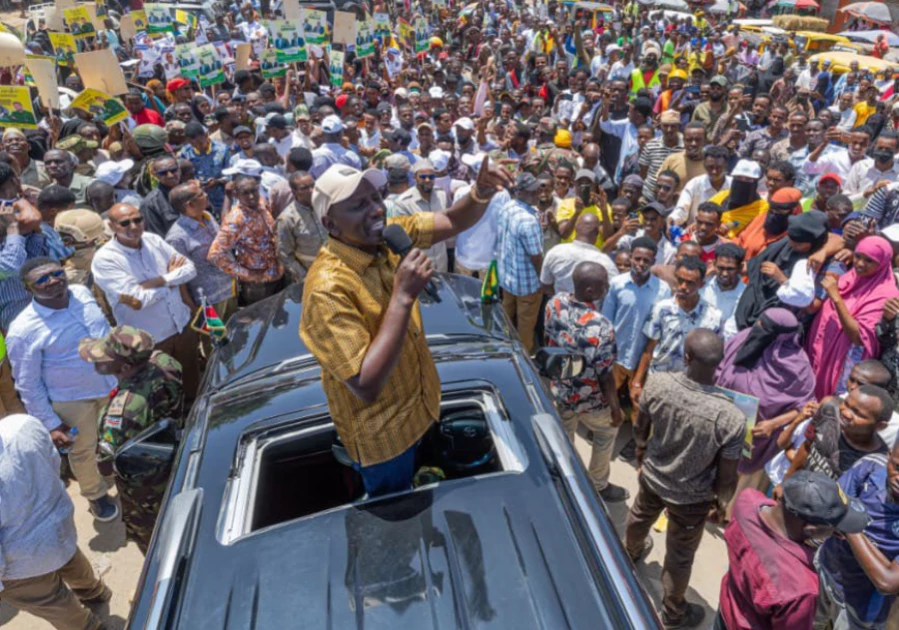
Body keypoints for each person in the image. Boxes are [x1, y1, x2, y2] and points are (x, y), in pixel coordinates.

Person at [298, 160, 511, 496]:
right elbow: (366, 384)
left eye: (375, 198)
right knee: (400, 519)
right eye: (358, 205)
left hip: (423, 408)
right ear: (330, 224)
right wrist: (402, 296)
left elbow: (452, 220)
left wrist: (480, 193)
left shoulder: (386, 235)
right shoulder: (327, 290)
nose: (375, 210)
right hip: (385, 441)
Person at [626, 329, 744, 629]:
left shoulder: (659, 384)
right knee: (680, 556)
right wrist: (721, 503)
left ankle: (629, 555)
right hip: (692, 499)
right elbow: (727, 476)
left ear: (686, 357)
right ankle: (673, 613)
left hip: (653, 477)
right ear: (719, 363)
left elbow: (640, 428)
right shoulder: (731, 417)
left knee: (639, 515)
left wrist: (641, 455)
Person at [6, 257, 119, 522]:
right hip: (72, 402)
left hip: (112, 384)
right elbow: (27, 383)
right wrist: (51, 424)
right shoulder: (23, 330)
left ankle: (113, 469)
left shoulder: (81, 293)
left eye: (56, 273)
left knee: (114, 436)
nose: (53, 281)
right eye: (42, 280)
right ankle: (95, 495)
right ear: (27, 289)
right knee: (82, 451)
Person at [716, 470, 869, 630]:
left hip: (726, 609)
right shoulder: (799, 587)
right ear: (810, 530)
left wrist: (824, 528)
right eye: (833, 527)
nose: (838, 534)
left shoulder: (746, 502)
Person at [0, 413, 112, 630]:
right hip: (59, 524)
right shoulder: (22, 425)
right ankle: (96, 592)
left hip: (23, 563)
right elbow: (53, 464)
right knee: (73, 562)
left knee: (55, 602)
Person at [81, 326, 183, 555]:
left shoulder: (122, 411)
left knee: (155, 539)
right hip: (177, 455)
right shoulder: (164, 361)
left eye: (103, 358)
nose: (96, 361)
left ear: (125, 367)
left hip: (147, 486)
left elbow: (106, 466)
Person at [91, 203, 201, 402]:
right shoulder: (106, 259)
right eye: (125, 223)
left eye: (137, 220)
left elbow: (190, 269)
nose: (133, 226)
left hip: (182, 326)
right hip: (151, 341)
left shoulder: (153, 240)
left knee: (193, 381)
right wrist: (171, 280)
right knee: (164, 392)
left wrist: (159, 280)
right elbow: (138, 300)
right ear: (112, 226)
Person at [544, 261, 627, 502]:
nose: (608, 287)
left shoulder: (554, 303)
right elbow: (604, 375)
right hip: (591, 400)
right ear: (590, 291)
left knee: (564, 437)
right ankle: (598, 484)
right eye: (604, 284)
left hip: (560, 389)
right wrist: (614, 409)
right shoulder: (601, 327)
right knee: (607, 432)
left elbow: (548, 340)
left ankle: (567, 478)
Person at [816, 422, 899, 629]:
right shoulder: (871, 465)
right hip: (826, 569)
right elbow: (831, 507)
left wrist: (850, 523)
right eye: (897, 467)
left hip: (861, 607)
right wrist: (880, 558)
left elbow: (887, 581)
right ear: (890, 455)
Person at [807, 236, 899, 400]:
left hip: (842, 362)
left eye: (869, 261)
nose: (860, 264)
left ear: (882, 264)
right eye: (858, 256)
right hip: (823, 351)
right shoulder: (853, 277)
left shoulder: (885, 294)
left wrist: (836, 298)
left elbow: (858, 337)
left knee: (829, 405)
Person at [633, 255, 723, 384]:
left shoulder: (713, 317)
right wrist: (637, 382)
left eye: (690, 283)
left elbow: (714, 359)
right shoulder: (662, 309)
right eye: (680, 280)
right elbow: (649, 349)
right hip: (659, 379)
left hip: (692, 384)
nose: (682, 286)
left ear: (701, 284)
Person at [734, 210, 830, 330]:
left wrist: (782, 279)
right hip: (752, 307)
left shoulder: (820, 262)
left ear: (814, 241)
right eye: (791, 241)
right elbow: (754, 265)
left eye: (799, 244)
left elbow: (808, 303)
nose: (793, 245)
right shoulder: (784, 244)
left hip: (780, 322)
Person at [165, 180, 237, 324]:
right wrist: (191, 308)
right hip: (210, 301)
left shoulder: (207, 216)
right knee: (216, 341)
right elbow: (179, 279)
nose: (206, 195)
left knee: (236, 332)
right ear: (189, 205)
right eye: (200, 194)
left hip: (230, 289)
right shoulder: (177, 238)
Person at [208, 175, 284, 305]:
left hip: (278, 273)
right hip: (258, 284)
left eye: (253, 191)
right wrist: (247, 274)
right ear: (236, 195)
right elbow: (215, 255)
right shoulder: (235, 220)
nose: (251, 196)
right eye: (245, 193)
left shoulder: (262, 203)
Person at [496, 172, 545, 353]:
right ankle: (525, 356)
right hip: (527, 285)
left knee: (506, 316)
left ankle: (503, 347)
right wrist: (543, 280)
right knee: (525, 325)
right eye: (532, 192)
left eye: (537, 190)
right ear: (520, 192)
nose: (537, 194)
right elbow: (536, 257)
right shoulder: (529, 220)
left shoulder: (507, 206)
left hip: (508, 277)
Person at [540, 213, 617, 294]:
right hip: (592, 306)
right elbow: (615, 290)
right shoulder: (604, 261)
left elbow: (546, 284)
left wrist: (559, 298)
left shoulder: (555, 252)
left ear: (575, 228)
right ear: (597, 232)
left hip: (559, 305)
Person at [276, 170, 327, 284]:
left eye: (313, 186)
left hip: (335, 268)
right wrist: (305, 277)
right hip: (311, 275)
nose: (311, 191)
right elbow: (284, 255)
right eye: (304, 188)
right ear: (294, 192)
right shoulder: (287, 219)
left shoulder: (325, 206)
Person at [701, 243, 746, 327]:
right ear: (714, 264)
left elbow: (731, 331)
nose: (725, 274)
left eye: (730, 269)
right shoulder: (703, 284)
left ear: (740, 267)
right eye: (721, 268)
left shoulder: (745, 295)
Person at [140, 156, 182, 237]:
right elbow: (157, 237)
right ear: (155, 175)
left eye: (173, 170)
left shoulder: (193, 190)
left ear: (179, 169)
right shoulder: (150, 204)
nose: (170, 175)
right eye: (163, 173)